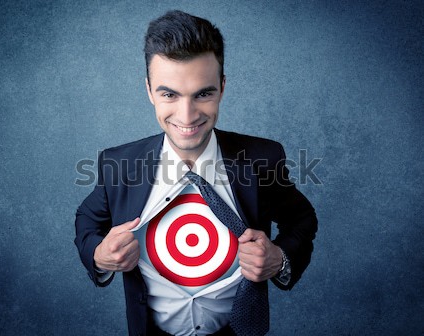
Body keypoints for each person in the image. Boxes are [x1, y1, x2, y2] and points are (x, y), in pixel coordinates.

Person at [75, 10, 317, 336]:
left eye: (203, 93)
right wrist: (100, 256)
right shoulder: (117, 165)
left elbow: (302, 219)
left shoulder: (264, 159)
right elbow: (87, 221)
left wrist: (280, 259)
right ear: (149, 90)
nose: (187, 116)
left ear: (222, 87)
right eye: (169, 94)